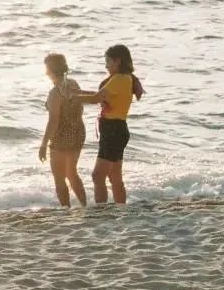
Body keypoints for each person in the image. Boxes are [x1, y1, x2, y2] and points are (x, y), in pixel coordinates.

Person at [80, 43, 145, 204]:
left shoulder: (119, 79)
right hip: (117, 129)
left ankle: (102, 212)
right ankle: (120, 209)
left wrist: (70, 99)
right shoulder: (125, 78)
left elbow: (95, 98)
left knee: (98, 175)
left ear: (117, 61)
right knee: (115, 176)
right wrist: (74, 93)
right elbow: (99, 96)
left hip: (113, 130)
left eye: (108, 61)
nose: (106, 66)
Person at [38, 53, 87, 207]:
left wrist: (43, 144)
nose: (45, 72)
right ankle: (84, 206)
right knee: (71, 173)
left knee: (59, 176)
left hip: (61, 136)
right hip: (78, 132)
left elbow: (53, 121)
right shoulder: (73, 84)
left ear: (51, 70)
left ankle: (66, 209)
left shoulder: (55, 93)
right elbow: (80, 107)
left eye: (47, 68)